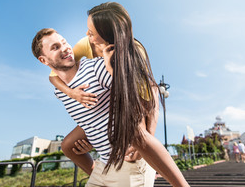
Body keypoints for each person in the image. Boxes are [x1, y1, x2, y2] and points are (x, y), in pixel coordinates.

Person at [49, 2, 189, 186]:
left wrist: (148, 137)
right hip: (108, 104)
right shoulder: (86, 45)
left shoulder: (133, 53)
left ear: (108, 34)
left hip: (134, 101)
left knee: (138, 138)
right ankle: (100, 173)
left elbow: (150, 95)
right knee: (68, 145)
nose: (86, 35)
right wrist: (73, 93)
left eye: (91, 32)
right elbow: (53, 75)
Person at [32, 28, 155, 186]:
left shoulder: (96, 68)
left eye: (64, 42)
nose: (65, 48)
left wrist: (143, 142)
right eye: (55, 47)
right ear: (44, 60)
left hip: (130, 164)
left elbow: (138, 97)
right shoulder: (60, 92)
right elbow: (93, 119)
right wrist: (92, 139)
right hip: (103, 166)